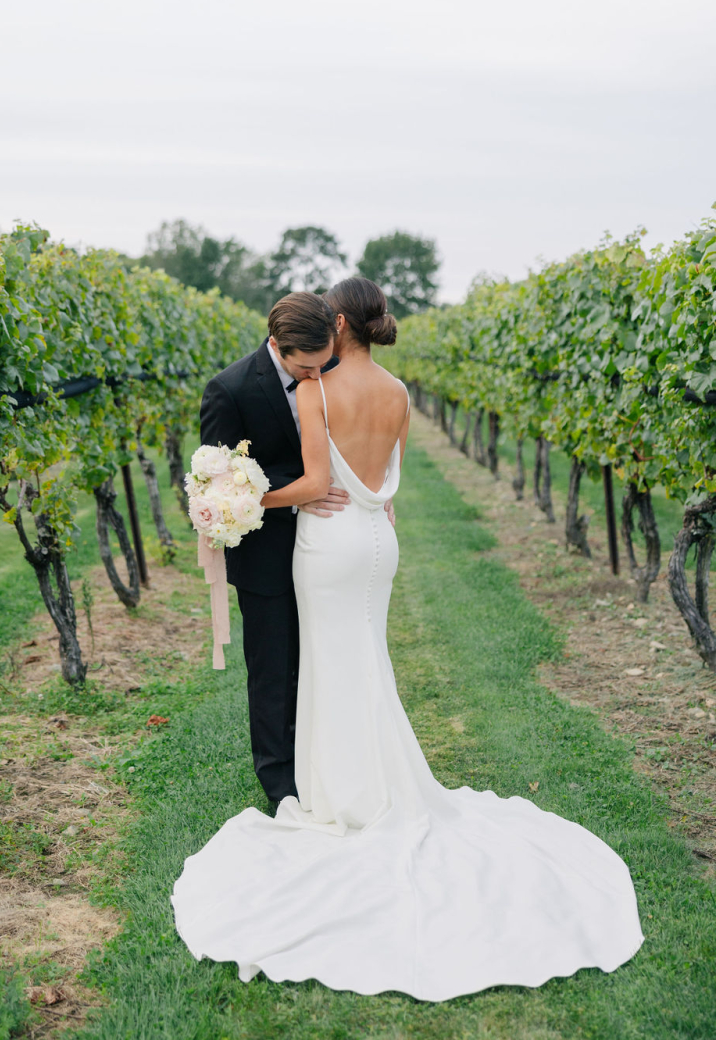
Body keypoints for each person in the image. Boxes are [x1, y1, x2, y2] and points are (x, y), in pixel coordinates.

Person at [172, 277, 644, 1001]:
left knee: (335, 664)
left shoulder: (315, 392)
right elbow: (382, 482)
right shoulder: (398, 391)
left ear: (337, 325)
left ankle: (338, 790)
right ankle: (366, 781)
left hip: (326, 541)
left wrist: (248, 497)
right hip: (376, 540)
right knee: (362, 660)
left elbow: (319, 479)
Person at [198, 292, 348, 811]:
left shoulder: (330, 372)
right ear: (279, 348)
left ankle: (321, 762)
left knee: (321, 659)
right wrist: (305, 489)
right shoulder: (230, 389)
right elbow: (218, 488)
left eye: (324, 363)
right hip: (266, 555)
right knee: (272, 669)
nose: (317, 375)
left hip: (327, 550)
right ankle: (280, 782)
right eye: (307, 367)